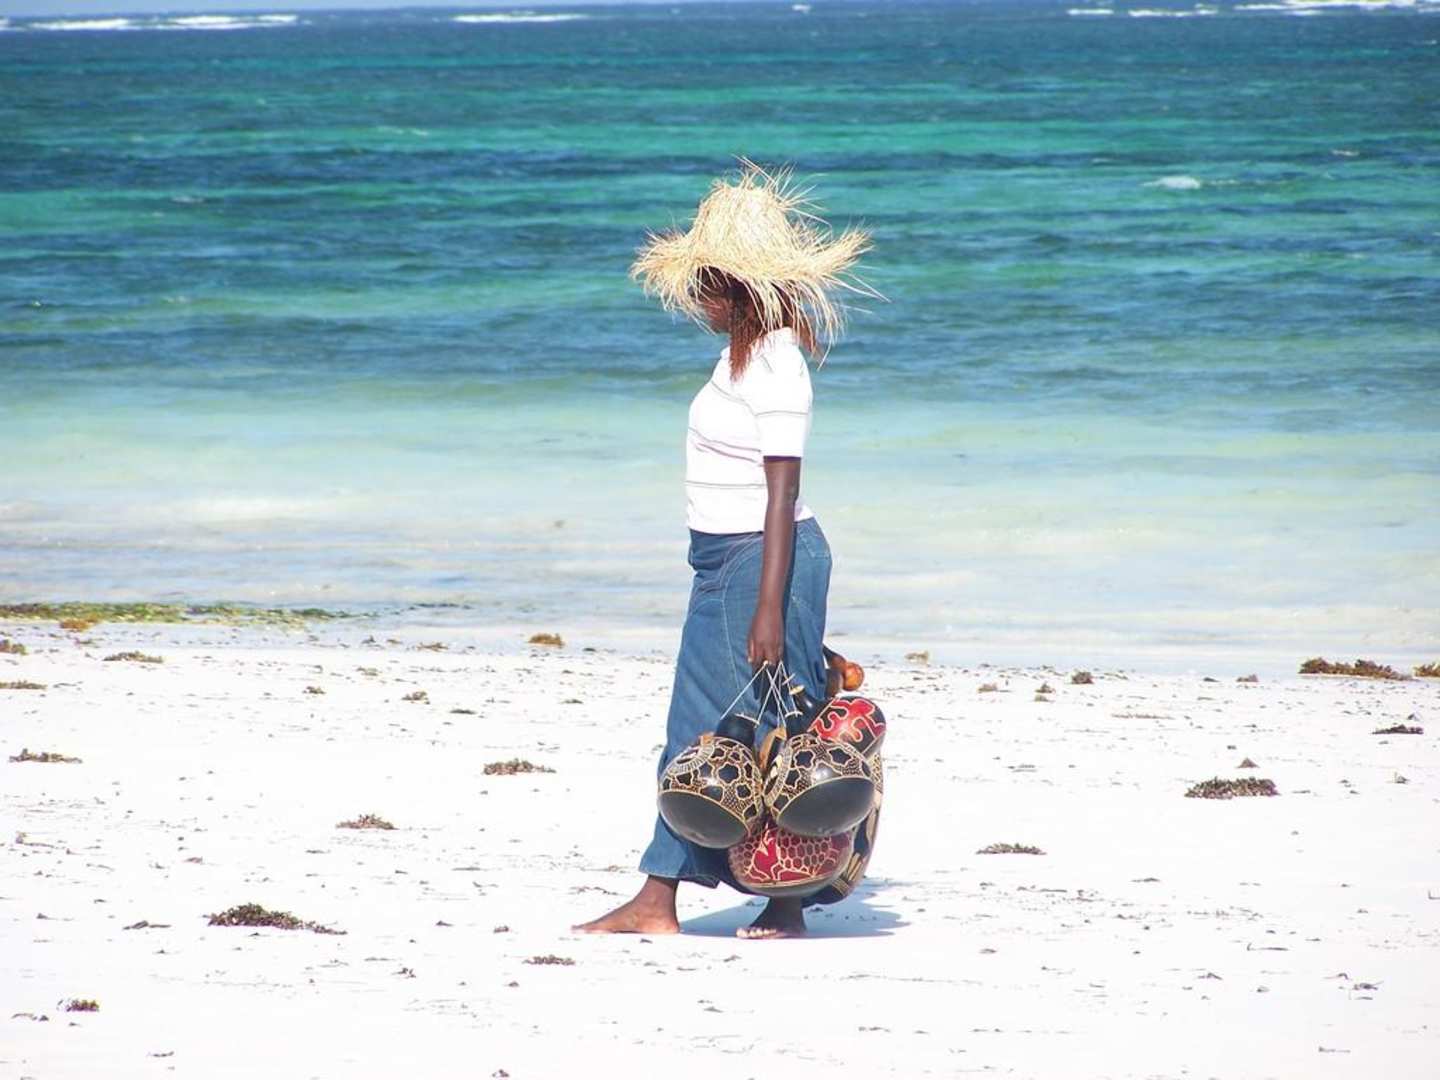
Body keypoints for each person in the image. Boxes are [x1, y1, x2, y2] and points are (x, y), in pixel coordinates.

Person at [575, 161, 874, 940]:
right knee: (729, 729)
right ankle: (704, 899)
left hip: (761, 562)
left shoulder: (777, 365)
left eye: (708, 286)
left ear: (742, 290)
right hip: (726, 563)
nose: (698, 300)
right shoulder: (741, 355)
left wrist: (769, 608)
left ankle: (737, 901)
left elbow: (783, 490)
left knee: (765, 735)